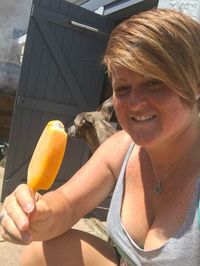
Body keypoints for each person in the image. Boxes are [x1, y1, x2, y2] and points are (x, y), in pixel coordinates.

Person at [1, 8, 200, 266]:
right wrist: (35, 215)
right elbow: (67, 205)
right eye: (123, 88)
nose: (135, 102)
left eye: (155, 82)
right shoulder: (121, 147)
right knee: (44, 249)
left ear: (195, 84)